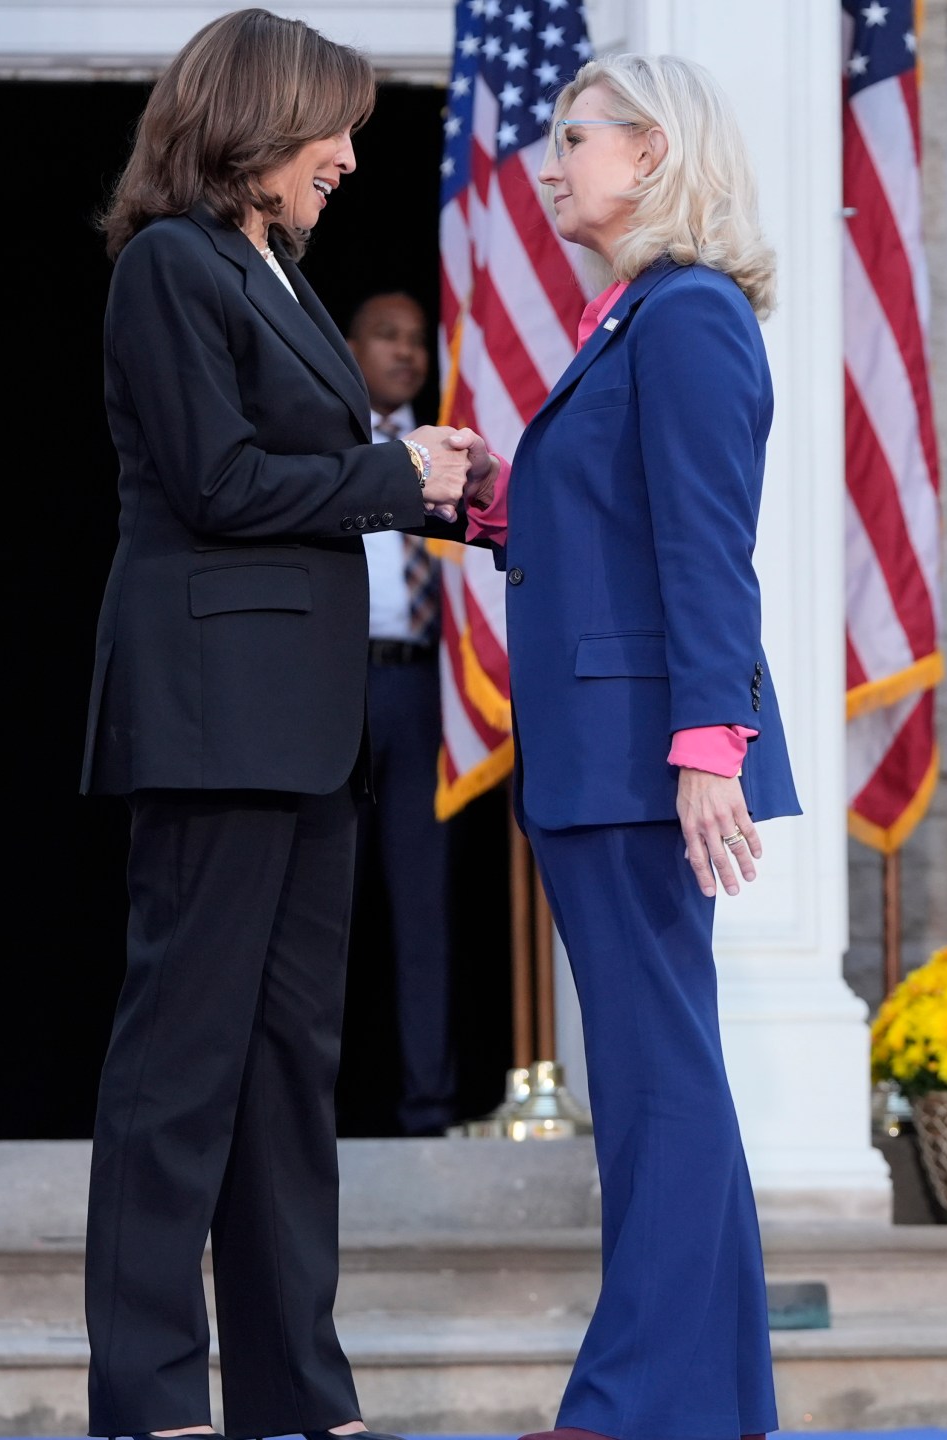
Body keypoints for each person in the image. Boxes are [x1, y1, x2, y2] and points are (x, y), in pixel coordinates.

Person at [79, 11, 484, 1439]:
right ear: (258, 119)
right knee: (178, 1073)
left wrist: (434, 482)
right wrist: (393, 479)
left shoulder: (284, 278)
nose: (351, 157)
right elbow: (219, 482)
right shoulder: (171, 267)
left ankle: (295, 1397)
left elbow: (305, 473)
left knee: (285, 1078)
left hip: (304, 728)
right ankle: (145, 1397)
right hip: (212, 719)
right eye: (335, 128)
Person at [457, 53, 799, 1440]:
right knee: (672, 1080)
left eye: (573, 136)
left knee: (658, 1084)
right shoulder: (633, 320)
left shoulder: (689, 316)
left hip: (648, 760)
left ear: (653, 154)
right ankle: (714, 1405)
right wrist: (489, 502)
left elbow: (708, 550)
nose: (549, 161)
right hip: (611, 751)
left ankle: (628, 1406)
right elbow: (606, 528)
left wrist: (709, 746)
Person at [345, 289, 458, 1137]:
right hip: (335, 688)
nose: (406, 353)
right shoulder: (325, 440)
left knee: (422, 904)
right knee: (322, 901)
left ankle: (429, 1108)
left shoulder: (452, 449)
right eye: (387, 337)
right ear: (350, 347)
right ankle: (309, 1107)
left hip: (421, 690)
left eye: (417, 340)